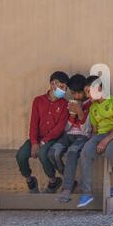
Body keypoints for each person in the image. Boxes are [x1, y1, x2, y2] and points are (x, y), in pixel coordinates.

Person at [77, 76, 113, 208]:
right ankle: (87, 193)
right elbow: (95, 131)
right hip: (100, 136)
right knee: (85, 152)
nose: (87, 95)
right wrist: (94, 144)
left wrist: (105, 141)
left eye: (89, 91)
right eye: (86, 92)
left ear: (98, 88)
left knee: (112, 150)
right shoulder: (93, 108)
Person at [15, 71, 70, 194]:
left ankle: (53, 181)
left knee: (42, 153)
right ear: (52, 84)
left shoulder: (65, 104)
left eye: (65, 87)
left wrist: (43, 142)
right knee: (21, 155)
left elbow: (59, 128)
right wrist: (34, 142)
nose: (64, 90)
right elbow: (33, 123)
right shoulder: (38, 101)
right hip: (36, 138)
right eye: (61, 86)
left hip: (52, 139)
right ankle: (30, 180)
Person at [48, 74, 92, 203]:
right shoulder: (69, 103)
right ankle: (70, 180)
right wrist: (72, 115)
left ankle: (66, 189)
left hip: (83, 137)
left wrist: (80, 112)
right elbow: (66, 128)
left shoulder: (90, 104)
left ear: (85, 91)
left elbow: (86, 130)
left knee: (72, 152)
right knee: (53, 153)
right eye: (74, 93)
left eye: (79, 93)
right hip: (68, 135)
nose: (77, 96)